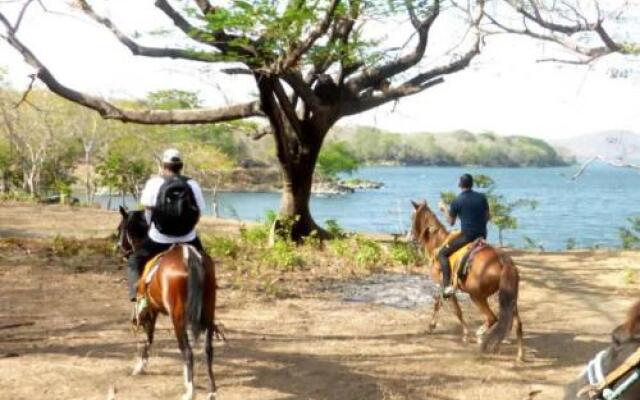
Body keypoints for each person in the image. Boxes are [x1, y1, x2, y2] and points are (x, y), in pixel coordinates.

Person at [128, 148, 206, 319]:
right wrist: (188, 229)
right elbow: (199, 212)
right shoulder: (192, 184)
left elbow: (148, 209)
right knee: (206, 264)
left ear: (164, 165)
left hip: (159, 238)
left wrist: (153, 229)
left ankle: (139, 301)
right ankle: (207, 304)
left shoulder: (154, 183)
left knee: (135, 261)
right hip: (189, 237)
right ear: (181, 166)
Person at [437, 173, 490, 298]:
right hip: (482, 235)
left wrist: (444, 209)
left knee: (442, 254)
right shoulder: (482, 197)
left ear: (460, 184)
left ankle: (447, 286)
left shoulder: (457, 201)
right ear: (472, 184)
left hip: (468, 237)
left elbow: (451, 222)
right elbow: (488, 217)